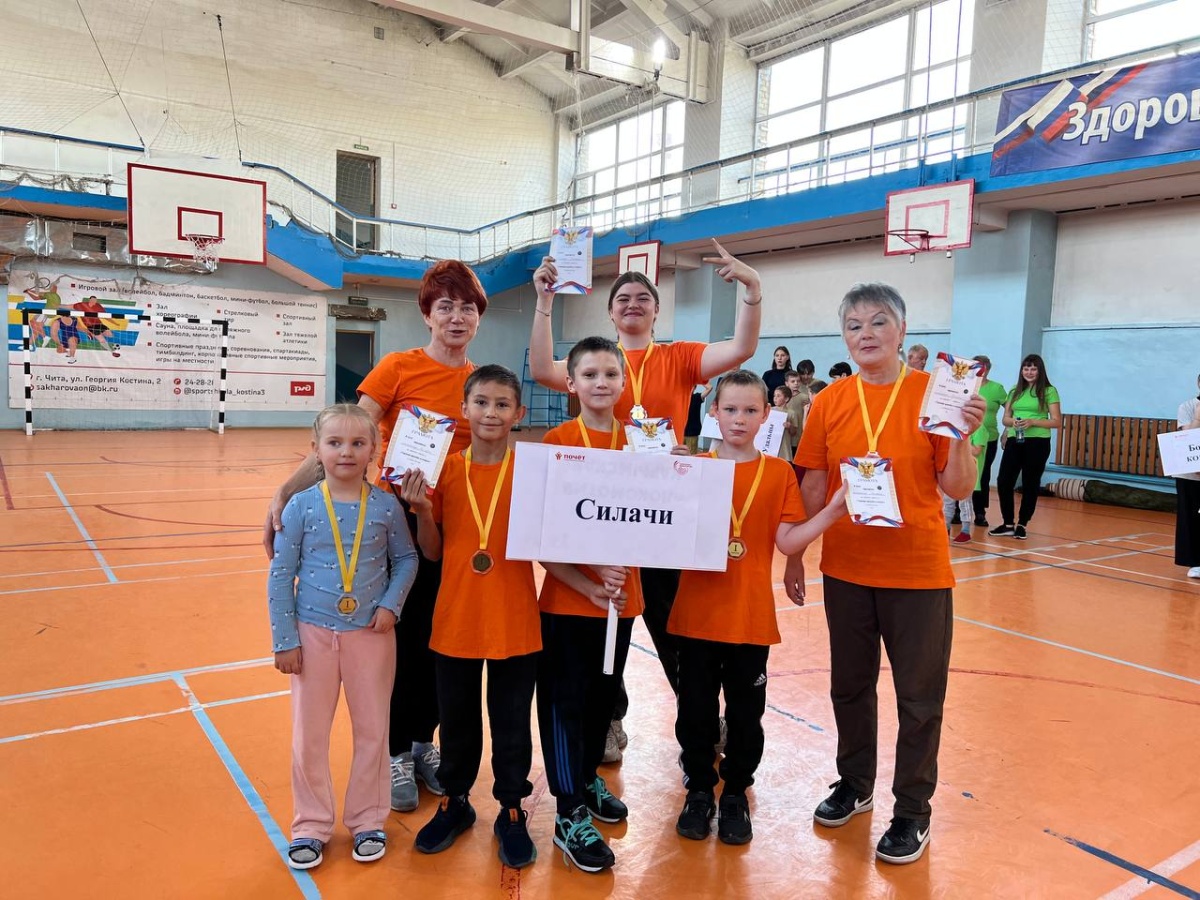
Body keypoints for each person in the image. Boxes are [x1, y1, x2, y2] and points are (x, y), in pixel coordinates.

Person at [265, 260, 488, 814]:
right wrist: (288, 490)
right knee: (399, 642)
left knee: (440, 641)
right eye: (445, 307)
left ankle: (423, 741)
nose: (456, 317)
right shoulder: (398, 367)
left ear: (478, 317)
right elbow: (348, 432)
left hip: (457, 529)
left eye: (467, 308)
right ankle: (394, 752)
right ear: (427, 314)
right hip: (396, 526)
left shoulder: (479, 383)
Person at [786, 283, 984, 865]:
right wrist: (797, 554)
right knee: (849, 686)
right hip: (847, 569)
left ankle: (913, 811)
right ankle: (855, 784)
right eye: (853, 325)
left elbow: (957, 487)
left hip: (918, 572)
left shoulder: (933, 394)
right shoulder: (828, 401)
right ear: (843, 336)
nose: (865, 334)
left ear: (902, 330)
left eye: (877, 322)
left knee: (919, 698)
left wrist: (962, 436)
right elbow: (814, 482)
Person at [530, 242, 764, 708]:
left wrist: (752, 289)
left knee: (667, 617)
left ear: (657, 310)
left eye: (643, 298)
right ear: (610, 313)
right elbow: (540, 368)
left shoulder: (681, 358)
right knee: (607, 611)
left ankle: (695, 715)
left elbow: (742, 348)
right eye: (622, 299)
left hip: (660, 511)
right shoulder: (599, 364)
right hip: (602, 509)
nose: (632, 304)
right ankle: (611, 715)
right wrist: (544, 302)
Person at [671, 370, 847, 846]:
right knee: (695, 712)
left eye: (750, 410)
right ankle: (699, 790)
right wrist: (665, 478)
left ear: (767, 415)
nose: (739, 419)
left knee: (747, 715)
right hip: (696, 616)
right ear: (713, 412)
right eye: (730, 409)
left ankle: (735, 794)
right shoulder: (693, 468)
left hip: (750, 618)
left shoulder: (778, 473)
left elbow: (787, 539)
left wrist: (831, 512)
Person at [401, 365, 542, 870]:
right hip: (456, 617)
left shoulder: (533, 471)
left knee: (511, 723)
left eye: (502, 404)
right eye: (481, 402)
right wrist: (421, 512)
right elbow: (434, 552)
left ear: (518, 413)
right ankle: (455, 801)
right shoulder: (441, 471)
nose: (490, 412)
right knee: (457, 720)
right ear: (463, 409)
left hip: (515, 618)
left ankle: (511, 809)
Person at [268, 404, 419, 871]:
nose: (346, 452)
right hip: (312, 636)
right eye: (335, 443)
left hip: (371, 637)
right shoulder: (301, 506)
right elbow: (281, 573)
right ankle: (310, 824)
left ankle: (368, 819)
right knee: (309, 736)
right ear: (316, 450)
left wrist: (391, 605)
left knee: (373, 731)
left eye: (358, 443)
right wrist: (285, 639)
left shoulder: (386, 507)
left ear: (375, 450)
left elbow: (407, 558)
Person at [537, 336, 641, 873]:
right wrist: (587, 583)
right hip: (569, 603)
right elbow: (543, 536)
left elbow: (662, 520)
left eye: (610, 374)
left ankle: (585, 778)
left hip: (622, 603)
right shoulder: (557, 442)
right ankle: (567, 810)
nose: (602, 382)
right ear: (571, 384)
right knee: (565, 706)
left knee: (603, 701)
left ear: (624, 382)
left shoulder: (642, 443)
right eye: (590, 374)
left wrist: (680, 477)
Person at [988, 354, 1062, 540]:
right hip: (1015, 439)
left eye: (1033, 369)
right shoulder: (1015, 390)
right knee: (1004, 480)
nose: (1029, 372)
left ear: (1040, 371)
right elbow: (1005, 418)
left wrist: (1033, 422)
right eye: (1026, 368)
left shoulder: (1049, 391)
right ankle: (1008, 523)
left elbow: (1056, 421)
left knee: (1030, 482)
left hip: (1038, 442)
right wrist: (1013, 422)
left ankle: (1022, 523)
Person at [971, 355, 1008, 528]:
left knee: (983, 474)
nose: (981, 369)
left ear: (988, 368)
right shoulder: (966, 385)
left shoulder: (996, 388)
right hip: (966, 438)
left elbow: (1011, 409)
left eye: (984, 366)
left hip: (989, 438)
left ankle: (980, 512)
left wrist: (1007, 430)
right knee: (962, 472)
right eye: (977, 366)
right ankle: (956, 510)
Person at [1174, 374, 1200, 579]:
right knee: (1190, 516)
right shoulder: (1187, 407)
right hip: (1190, 473)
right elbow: (1187, 439)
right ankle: (1195, 562)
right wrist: (1198, 418)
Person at [683, 381, 713, 454]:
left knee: (691, 454)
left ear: (694, 388)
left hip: (692, 432)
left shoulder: (696, 397)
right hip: (680, 431)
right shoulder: (680, 398)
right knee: (678, 454)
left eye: (691, 386)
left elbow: (709, 388)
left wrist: (699, 380)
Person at [773, 384, 800, 461]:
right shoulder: (770, 410)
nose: (775, 398)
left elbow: (794, 432)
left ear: (786, 399)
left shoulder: (791, 413)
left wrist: (790, 426)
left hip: (784, 447)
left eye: (778, 396)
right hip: (771, 445)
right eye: (774, 396)